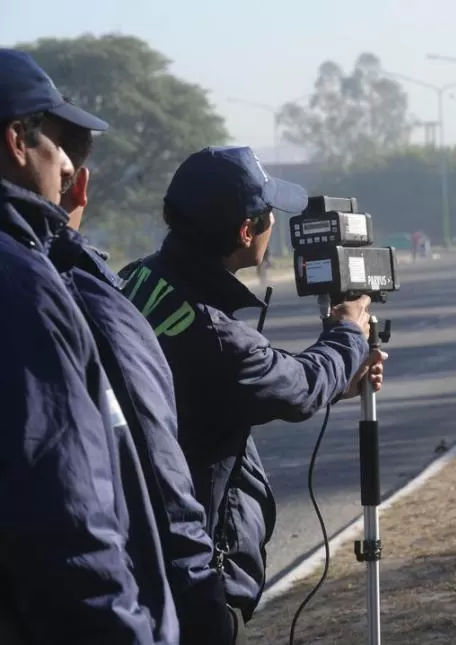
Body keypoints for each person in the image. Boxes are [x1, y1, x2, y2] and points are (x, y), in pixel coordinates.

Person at [119, 145, 386, 622]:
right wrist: (348, 330)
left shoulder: (134, 279)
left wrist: (339, 380)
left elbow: (223, 388)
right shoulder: (216, 334)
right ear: (247, 231)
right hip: (193, 567)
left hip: (134, 543)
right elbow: (298, 385)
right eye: (268, 217)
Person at [0, 48, 177, 644]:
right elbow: (69, 515)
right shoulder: (22, 286)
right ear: (17, 141)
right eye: (58, 143)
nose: (69, 166)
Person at [55, 126, 246, 644]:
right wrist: (346, 337)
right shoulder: (88, 297)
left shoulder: (133, 278)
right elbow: (153, 465)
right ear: (79, 186)